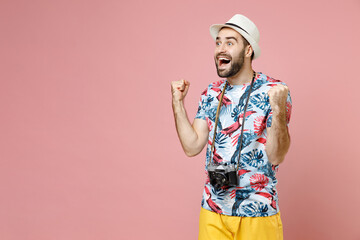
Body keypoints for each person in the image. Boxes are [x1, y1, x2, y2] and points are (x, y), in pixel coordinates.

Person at [171, 14, 292, 240]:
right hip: (212, 211)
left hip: (258, 212)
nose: (220, 49)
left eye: (229, 42)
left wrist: (278, 109)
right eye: (218, 42)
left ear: (248, 50)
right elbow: (191, 146)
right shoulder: (211, 93)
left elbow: (276, 155)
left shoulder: (274, 90)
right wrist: (177, 103)